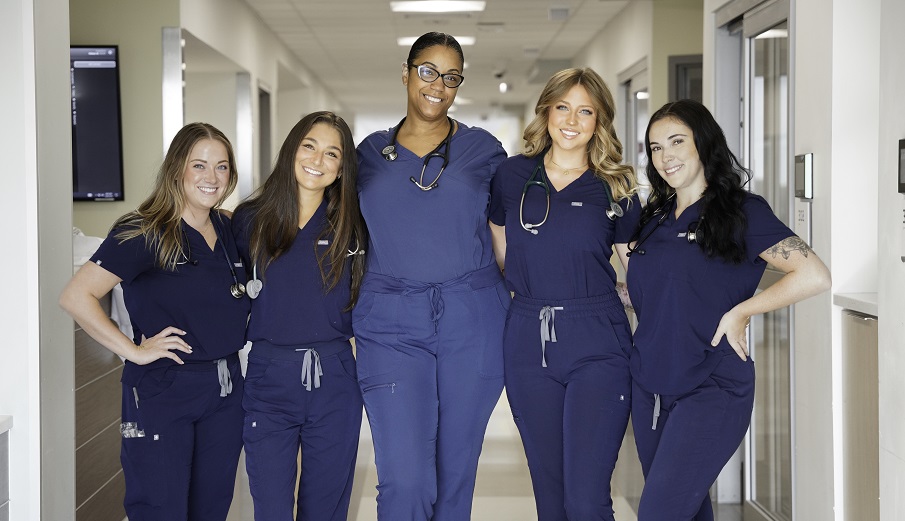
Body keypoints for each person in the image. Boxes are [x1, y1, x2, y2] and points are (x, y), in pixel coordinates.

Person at [623, 99, 832, 520]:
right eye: (656, 147)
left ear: (703, 142)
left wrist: (742, 312)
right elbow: (658, 291)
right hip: (650, 384)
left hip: (711, 384)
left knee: (659, 513)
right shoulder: (655, 216)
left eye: (677, 141)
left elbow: (813, 275)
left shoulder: (741, 211)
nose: (666, 156)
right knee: (688, 508)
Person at [353, 31, 509, 520]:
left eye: (451, 76)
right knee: (405, 480)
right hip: (390, 325)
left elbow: (513, 232)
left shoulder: (484, 150)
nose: (438, 84)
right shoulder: (367, 156)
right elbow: (320, 214)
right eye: (427, 70)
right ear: (405, 73)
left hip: (473, 319)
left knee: (454, 475)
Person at [59, 123, 249, 520]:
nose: (211, 178)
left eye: (222, 167)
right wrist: (133, 350)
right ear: (177, 169)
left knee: (211, 508)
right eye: (199, 165)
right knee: (160, 508)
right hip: (165, 387)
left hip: (226, 389)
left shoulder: (229, 228)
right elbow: (77, 296)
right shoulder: (143, 230)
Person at [488, 67, 639, 520]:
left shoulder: (615, 186)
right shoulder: (513, 175)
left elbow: (639, 272)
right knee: (550, 498)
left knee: (587, 497)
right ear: (547, 111)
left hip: (598, 341)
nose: (571, 120)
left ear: (600, 121)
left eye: (585, 111)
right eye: (563, 107)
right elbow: (503, 251)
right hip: (527, 339)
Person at [231, 111, 366, 521]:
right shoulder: (250, 219)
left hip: (335, 377)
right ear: (292, 148)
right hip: (270, 376)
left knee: (324, 509)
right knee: (270, 507)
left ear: (342, 168)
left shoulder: (354, 226)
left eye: (332, 154)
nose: (317, 160)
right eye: (309, 146)